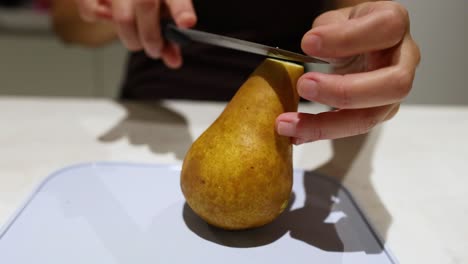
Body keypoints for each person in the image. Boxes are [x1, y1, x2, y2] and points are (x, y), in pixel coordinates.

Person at [51, 0, 420, 145]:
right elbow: (66, 23)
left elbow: (357, 14)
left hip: (290, 122)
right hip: (148, 115)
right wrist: (109, 8)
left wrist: (363, 48)